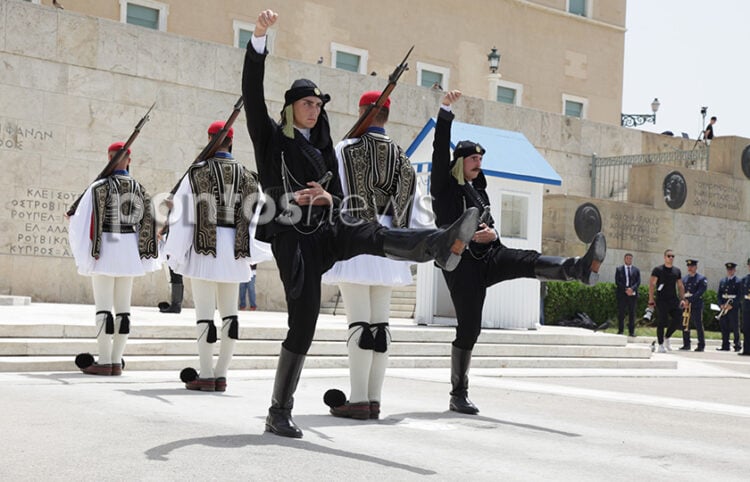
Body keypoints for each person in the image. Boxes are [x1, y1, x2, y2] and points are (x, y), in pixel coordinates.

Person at [242, 10, 479, 438]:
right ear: (291, 107)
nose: (314, 111)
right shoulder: (271, 139)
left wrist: (328, 196)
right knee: (304, 323)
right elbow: (252, 95)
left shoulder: (325, 148)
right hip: (293, 238)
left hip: (329, 228)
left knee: (374, 234)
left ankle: (438, 245)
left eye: (317, 105)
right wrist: (258, 41)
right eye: (307, 104)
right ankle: (279, 410)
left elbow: (336, 192)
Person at [430, 90, 606, 415]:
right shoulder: (444, 185)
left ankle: (579, 268)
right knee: (470, 328)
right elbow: (440, 150)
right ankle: (458, 394)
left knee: (529, 260)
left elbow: (488, 222)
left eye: (481, 160)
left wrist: (493, 234)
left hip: (491, 255)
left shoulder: (478, 189)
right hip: (461, 265)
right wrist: (445, 112)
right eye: (473, 159)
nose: (478, 164)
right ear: (460, 161)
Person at [321, 90, 433, 420]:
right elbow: (420, 210)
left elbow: (331, 195)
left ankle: (357, 399)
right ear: (387, 115)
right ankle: (373, 399)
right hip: (389, 246)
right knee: (380, 326)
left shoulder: (343, 149)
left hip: (356, 242)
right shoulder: (403, 158)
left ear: (361, 112)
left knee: (358, 321)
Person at [164, 120, 267, 392]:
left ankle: (207, 372)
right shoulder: (249, 176)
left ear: (209, 139)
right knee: (231, 315)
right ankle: (221, 373)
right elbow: (257, 220)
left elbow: (183, 217)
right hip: (235, 251)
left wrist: (174, 251)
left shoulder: (196, 173)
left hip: (203, 250)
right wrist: (250, 252)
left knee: (205, 315)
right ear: (231, 141)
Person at [68, 142, 160, 375]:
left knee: (103, 308)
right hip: (128, 249)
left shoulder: (99, 187)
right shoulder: (139, 187)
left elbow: (80, 221)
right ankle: (117, 360)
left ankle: (105, 359)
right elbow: (148, 222)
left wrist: (71, 219)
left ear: (108, 157)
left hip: (105, 249)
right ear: (129, 160)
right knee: (123, 309)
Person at [647, 249, 685, 353]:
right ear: (664, 257)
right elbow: (652, 285)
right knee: (662, 321)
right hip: (661, 300)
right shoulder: (658, 270)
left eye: (673, 256)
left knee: (678, 319)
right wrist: (651, 299)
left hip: (673, 299)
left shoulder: (677, 271)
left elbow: (680, 285)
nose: (671, 258)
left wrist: (683, 299)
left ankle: (667, 337)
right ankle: (660, 345)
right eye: (669, 256)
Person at [681, 259, 708, 351]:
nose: (690, 268)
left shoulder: (701, 279)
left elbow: (700, 292)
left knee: (698, 324)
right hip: (686, 305)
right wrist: (683, 300)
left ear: (696, 267)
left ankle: (701, 345)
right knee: (685, 324)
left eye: (692, 266)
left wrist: (690, 300)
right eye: (688, 266)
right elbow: (681, 291)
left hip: (696, 304)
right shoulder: (684, 279)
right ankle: (686, 344)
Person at [716, 262, 741, 352]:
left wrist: (732, 305)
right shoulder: (723, 281)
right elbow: (719, 295)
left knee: (735, 326)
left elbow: (739, 296)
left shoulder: (738, 281)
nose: (730, 271)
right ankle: (725, 345)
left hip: (732, 307)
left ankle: (737, 345)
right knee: (724, 326)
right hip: (724, 306)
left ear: (734, 270)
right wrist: (721, 305)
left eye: (731, 269)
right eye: (728, 269)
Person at [615, 253, 640, 337]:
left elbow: (638, 282)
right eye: (627, 258)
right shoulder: (619, 269)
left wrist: (632, 289)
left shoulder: (636, 270)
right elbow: (617, 282)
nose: (629, 260)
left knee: (632, 313)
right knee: (621, 313)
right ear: (624, 259)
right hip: (622, 294)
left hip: (632, 295)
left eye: (630, 258)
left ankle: (631, 332)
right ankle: (620, 330)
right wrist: (626, 289)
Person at [739, 258, 750, 356]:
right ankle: (746, 349)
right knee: (746, 328)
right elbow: (741, 293)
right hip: (747, 306)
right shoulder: (745, 279)